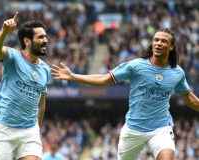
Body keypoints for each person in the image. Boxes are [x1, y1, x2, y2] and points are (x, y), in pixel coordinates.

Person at [51, 28, 199, 160]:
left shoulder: (177, 73)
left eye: (163, 41)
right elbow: (104, 79)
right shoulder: (136, 66)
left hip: (161, 128)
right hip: (133, 129)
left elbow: (189, 98)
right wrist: (73, 76)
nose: (158, 43)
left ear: (171, 47)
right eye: (156, 40)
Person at [0, 11, 51, 160]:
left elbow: (41, 103)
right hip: (4, 126)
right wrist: (4, 31)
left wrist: (37, 128)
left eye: (46, 36)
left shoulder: (45, 70)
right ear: (27, 41)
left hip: (29, 130)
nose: (46, 40)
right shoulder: (13, 57)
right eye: (41, 37)